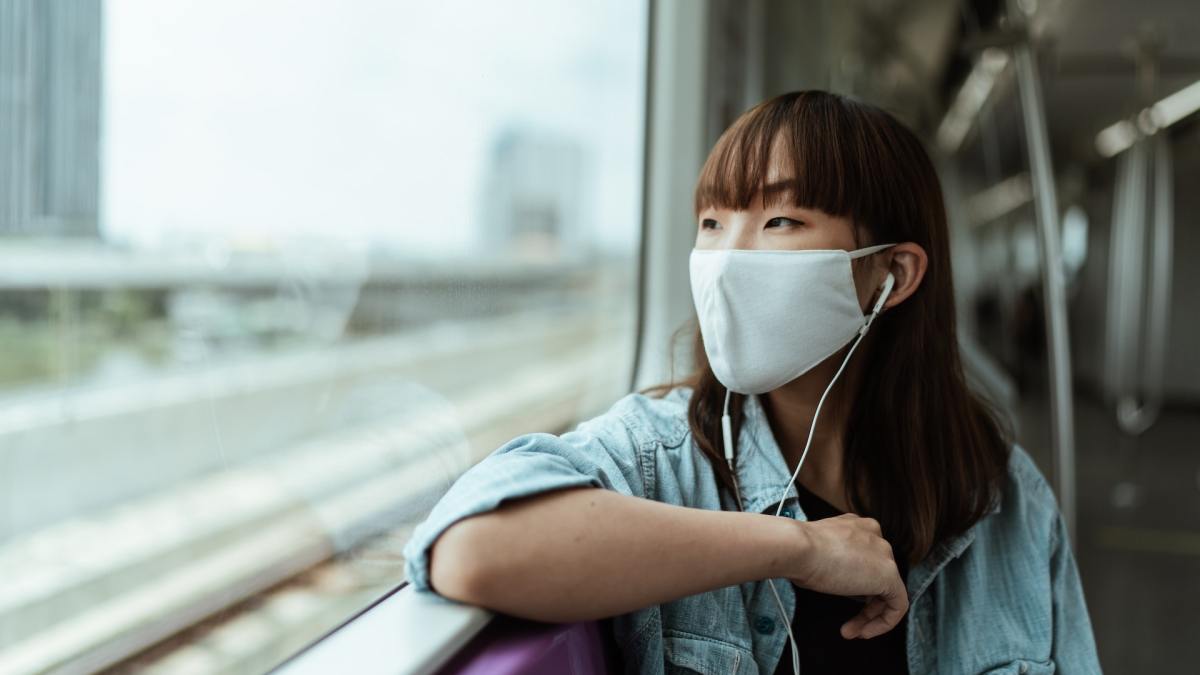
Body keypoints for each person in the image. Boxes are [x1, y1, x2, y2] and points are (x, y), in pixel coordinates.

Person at [402, 91, 1102, 674]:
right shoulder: (662, 457)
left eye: (779, 220)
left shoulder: (1004, 499)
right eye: (711, 221)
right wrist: (800, 548)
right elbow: (472, 546)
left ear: (893, 275)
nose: (727, 258)